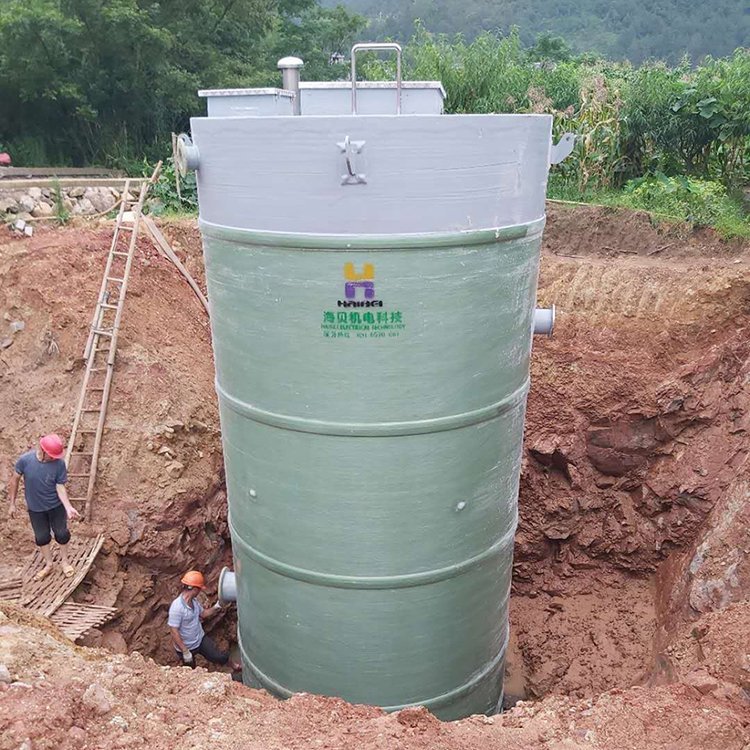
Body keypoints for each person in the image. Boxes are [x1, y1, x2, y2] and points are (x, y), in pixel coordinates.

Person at [8, 434, 80, 580]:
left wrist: (68, 507)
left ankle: (65, 562)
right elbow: (14, 480)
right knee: (41, 537)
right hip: (35, 509)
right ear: (43, 450)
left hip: (56, 507)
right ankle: (49, 564)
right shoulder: (25, 461)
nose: (54, 458)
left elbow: (60, 486)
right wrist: (12, 504)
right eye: (52, 456)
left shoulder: (59, 464)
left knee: (62, 534)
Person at [168, 570, 240, 671]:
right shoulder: (177, 607)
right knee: (190, 670)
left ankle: (233, 665)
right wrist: (184, 651)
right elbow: (174, 631)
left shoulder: (194, 602)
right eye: (199, 589)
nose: (200, 592)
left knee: (217, 656)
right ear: (194, 589)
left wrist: (217, 606)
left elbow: (203, 614)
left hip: (200, 640)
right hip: (186, 647)